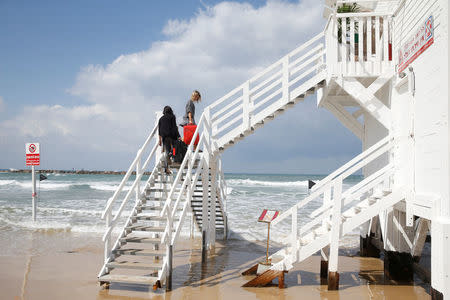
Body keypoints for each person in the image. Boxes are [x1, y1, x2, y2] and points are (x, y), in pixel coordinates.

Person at [158, 106, 180, 174]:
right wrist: (178, 136)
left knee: (166, 152)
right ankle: (173, 158)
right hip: (172, 136)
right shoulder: (172, 117)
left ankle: (166, 168)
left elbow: (159, 130)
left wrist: (160, 140)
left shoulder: (161, 119)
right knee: (174, 148)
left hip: (165, 137)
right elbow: (174, 127)